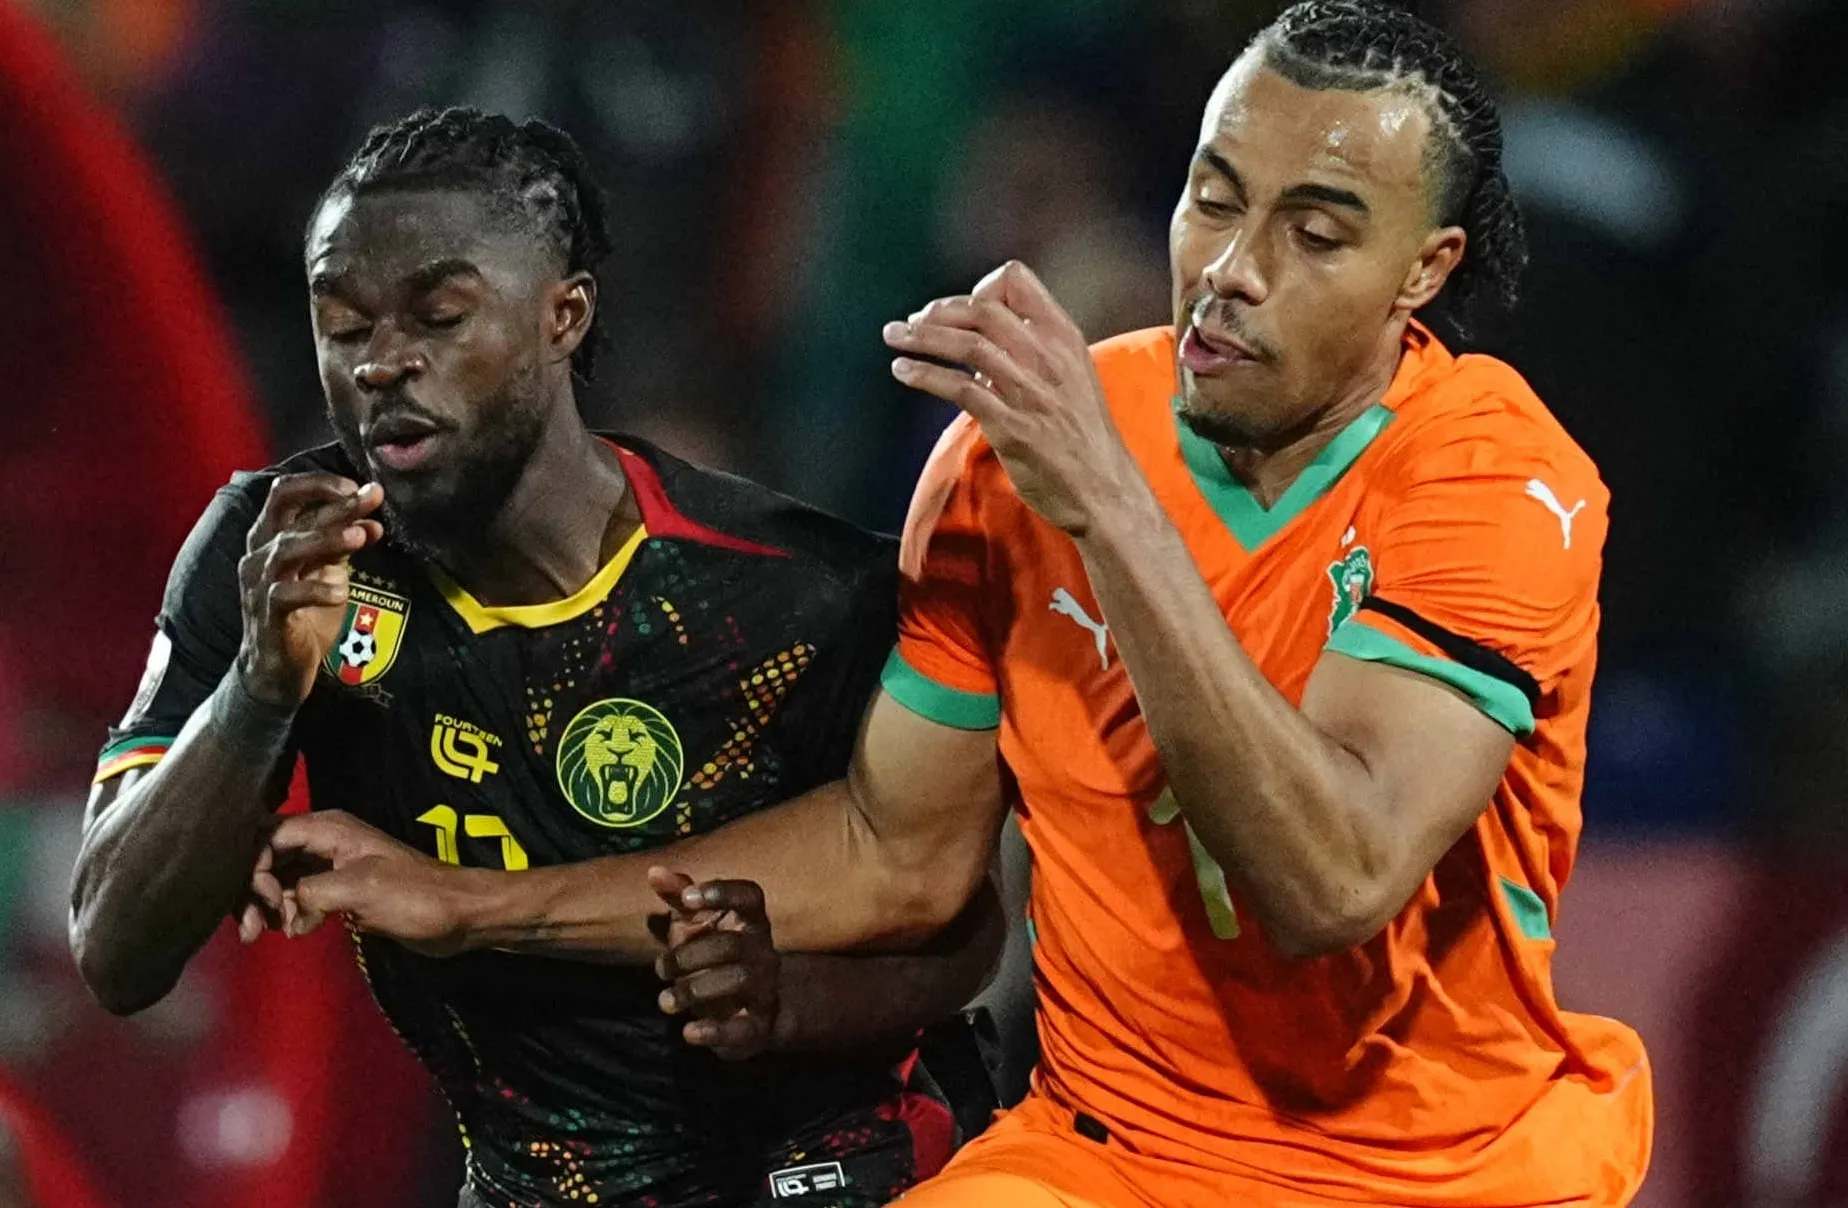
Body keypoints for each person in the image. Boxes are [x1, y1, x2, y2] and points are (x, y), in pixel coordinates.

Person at [265, 3, 1654, 1204]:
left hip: (1436, 1174)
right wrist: (470, 902)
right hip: (1108, 1157)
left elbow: (1333, 880)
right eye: (1215, 197)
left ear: (1426, 271)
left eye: (1318, 232)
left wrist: (1110, 507)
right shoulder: (1016, 456)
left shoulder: (1495, 484)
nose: (1234, 268)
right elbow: (896, 856)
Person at [67, 107, 1002, 1208]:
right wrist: (257, 694)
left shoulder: (794, 593)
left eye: (439, 316)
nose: (382, 363)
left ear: (564, 316)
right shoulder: (280, 555)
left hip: (824, 1171)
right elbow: (115, 948)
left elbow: (958, 927)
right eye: (342, 324)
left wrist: (792, 1002)